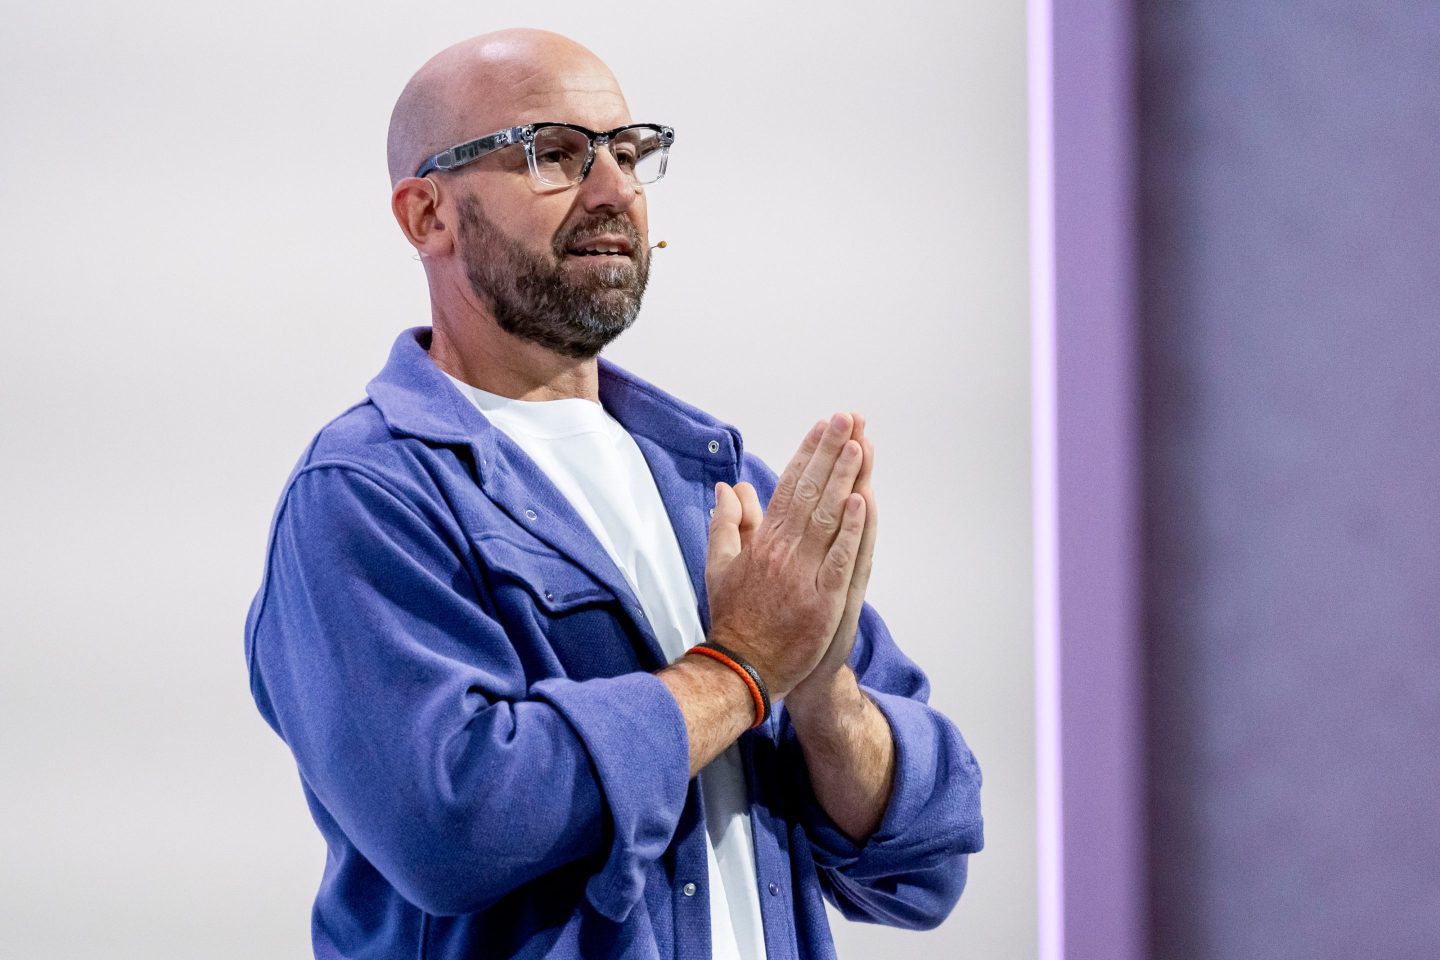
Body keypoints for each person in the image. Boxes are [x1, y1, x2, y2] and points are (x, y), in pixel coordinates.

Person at [244, 28, 983, 960]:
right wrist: (743, 669)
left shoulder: (721, 486)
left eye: (629, 152)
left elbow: (923, 866)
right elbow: (455, 823)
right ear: (427, 214)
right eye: (553, 154)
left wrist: (824, 687)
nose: (613, 191)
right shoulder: (366, 496)